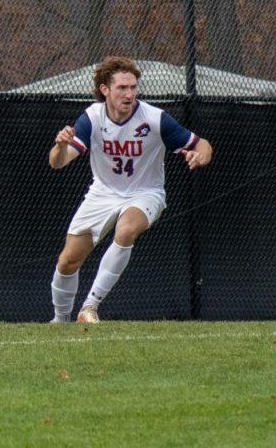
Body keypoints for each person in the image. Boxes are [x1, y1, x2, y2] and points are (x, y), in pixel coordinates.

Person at [48, 56, 213, 323]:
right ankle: (60, 320)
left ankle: (89, 306)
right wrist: (60, 146)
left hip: (145, 193)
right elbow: (58, 162)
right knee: (68, 261)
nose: (129, 94)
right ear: (105, 90)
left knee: (126, 230)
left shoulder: (154, 118)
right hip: (103, 193)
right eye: (122, 88)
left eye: (133, 87)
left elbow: (201, 144)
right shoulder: (92, 117)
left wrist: (200, 156)